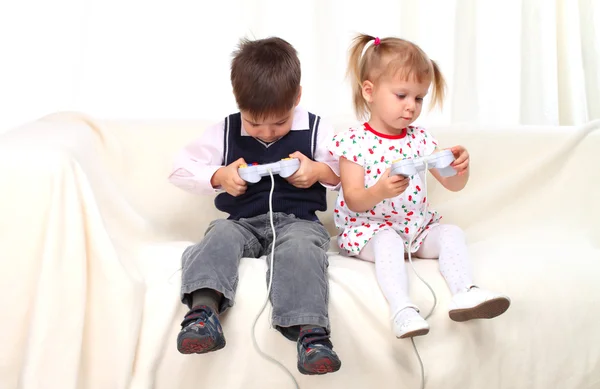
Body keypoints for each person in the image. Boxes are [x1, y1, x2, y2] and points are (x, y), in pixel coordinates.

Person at [168, 36, 342, 375]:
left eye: (279, 123)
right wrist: (219, 176)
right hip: (243, 221)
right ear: (239, 104)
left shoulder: (318, 128)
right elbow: (178, 169)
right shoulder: (226, 130)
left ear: (297, 98)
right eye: (254, 123)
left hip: (298, 221)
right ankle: (202, 314)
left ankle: (311, 336)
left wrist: (316, 171)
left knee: (302, 248)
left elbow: (342, 173)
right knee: (219, 233)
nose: (268, 133)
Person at [327, 34, 510, 339]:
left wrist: (459, 167)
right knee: (388, 241)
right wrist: (379, 192)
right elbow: (355, 199)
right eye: (402, 95)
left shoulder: (420, 139)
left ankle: (465, 291)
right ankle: (402, 310)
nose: (411, 107)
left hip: (415, 228)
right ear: (370, 92)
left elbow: (452, 184)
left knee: (452, 232)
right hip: (369, 230)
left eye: (419, 98)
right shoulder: (354, 142)